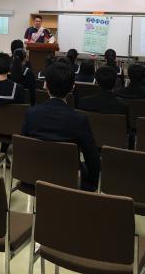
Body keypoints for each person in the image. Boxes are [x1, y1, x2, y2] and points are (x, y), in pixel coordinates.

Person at [21, 61, 99, 191]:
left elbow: (24, 148)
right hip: (68, 183)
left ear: (45, 85)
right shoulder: (79, 119)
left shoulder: (31, 113)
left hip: (35, 179)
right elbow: (92, 158)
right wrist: (91, 186)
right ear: (72, 88)